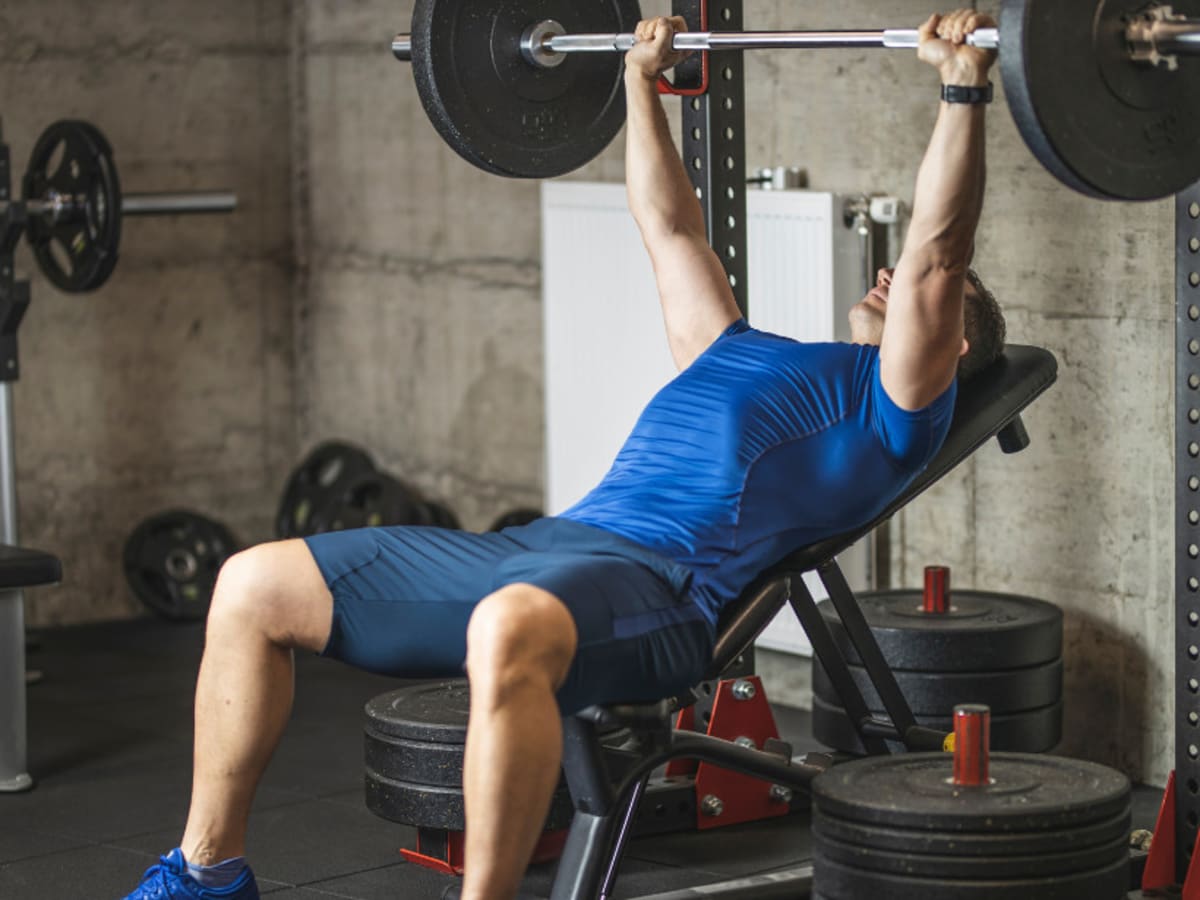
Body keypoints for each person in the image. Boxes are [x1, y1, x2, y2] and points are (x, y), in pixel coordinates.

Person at [121, 9, 1004, 900]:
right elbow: (671, 229)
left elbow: (936, 252)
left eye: (941, 303)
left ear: (950, 349)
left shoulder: (893, 410)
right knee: (249, 587)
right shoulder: (738, 349)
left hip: (661, 591)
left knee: (507, 625)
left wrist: (961, 88)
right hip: (548, 546)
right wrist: (635, 82)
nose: (889, 278)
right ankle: (206, 873)